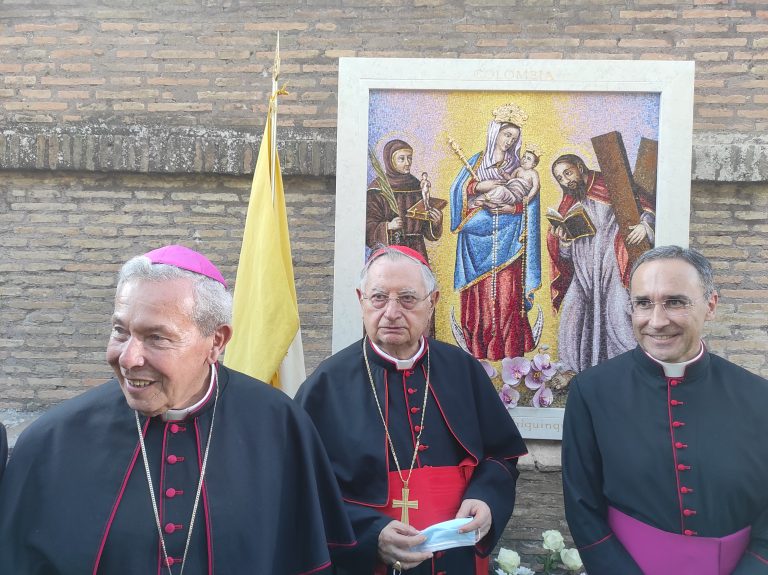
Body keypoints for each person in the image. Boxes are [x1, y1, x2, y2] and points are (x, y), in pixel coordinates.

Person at [0, 245, 355, 574]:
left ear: (216, 341)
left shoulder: (279, 425)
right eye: (120, 331)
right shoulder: (52, 442)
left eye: (157, 337)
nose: (128, 358)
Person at [296, 245, 527, 575]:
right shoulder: (325, 385)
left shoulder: (463, 370)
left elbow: (501, 455)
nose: (391, 312)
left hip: (459, 558)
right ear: (361, 299)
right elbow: (303, 488)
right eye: (378, 298)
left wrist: (487, 497)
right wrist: (370, 532)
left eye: (407, 298)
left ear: (431, 302)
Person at [562, 245, 768, 574]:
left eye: (675, 302)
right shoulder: (592, 391)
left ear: (710, 305)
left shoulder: (759, 397)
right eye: (643, 303)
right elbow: (582, 505)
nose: (657, 321)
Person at [547, 153, 655, 373]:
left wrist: (646, 226)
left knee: (617, 315)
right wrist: (564, 242)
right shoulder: (570, 202)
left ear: (580, 166)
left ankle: (626, 369)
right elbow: (564, 257)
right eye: (560, 178)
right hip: (583, 272)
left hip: (612, 266)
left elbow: (646, 209)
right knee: (572, 312)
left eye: (568, 173)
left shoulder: (612, 186)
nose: (566, 181)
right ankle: (571, 369)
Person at [449, 104, 541, 361]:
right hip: (476, 239)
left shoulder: (520, 167)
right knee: (481, 294)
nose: (509, 140)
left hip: (509, 240)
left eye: (514, 137)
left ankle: (509, 347)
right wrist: (479, 185)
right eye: (505, 134)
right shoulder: (475, 162)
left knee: (507, 292)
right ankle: (478, 347)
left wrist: (512, 206)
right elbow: (458, 192)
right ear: (494, 133)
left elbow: (529, 202)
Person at [366, 139, 444, 265]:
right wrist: (388, 226)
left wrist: (435, 223)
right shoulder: (377, 188)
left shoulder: (416, 185)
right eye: (402, 159)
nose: (408, 163)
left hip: (416, 249)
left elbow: (425, 229)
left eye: (410, 158)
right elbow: (368, 227)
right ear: (390, 161)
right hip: (390, 251)